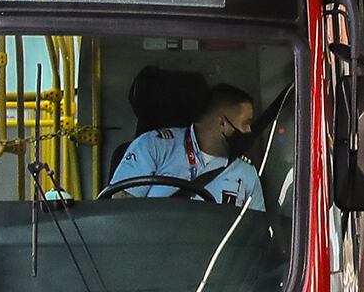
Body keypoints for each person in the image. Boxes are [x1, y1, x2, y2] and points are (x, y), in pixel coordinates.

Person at [108, 82, 263, 207]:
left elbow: (257, 232)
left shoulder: (246, 173)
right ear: (222, 123)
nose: (249, 130)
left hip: (218, 246)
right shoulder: (153, 147)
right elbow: (121, 213)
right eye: (246, 123)